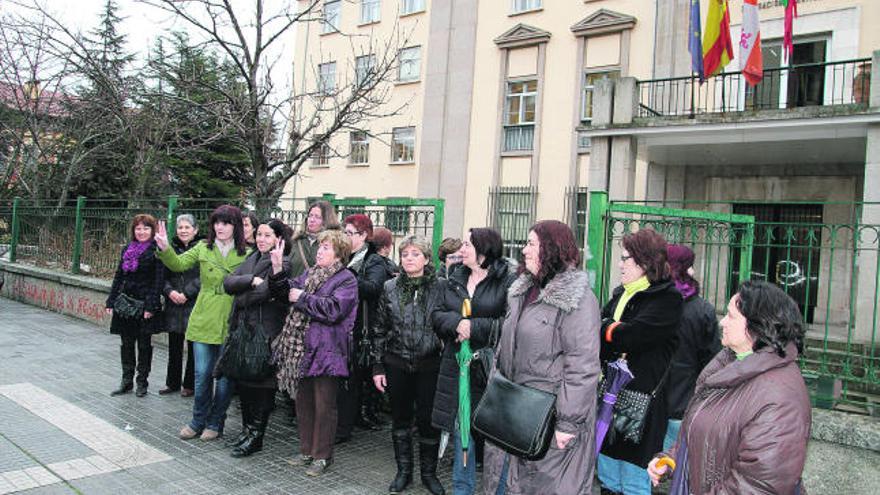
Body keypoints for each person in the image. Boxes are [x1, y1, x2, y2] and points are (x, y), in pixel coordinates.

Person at [648, 281, 811, 494]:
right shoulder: (729, 363)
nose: (722, 322)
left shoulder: (779, 397)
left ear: (758, 326)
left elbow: (758, 486)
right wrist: (672, 458)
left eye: (731, 316)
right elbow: (703, 431)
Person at [482, 220, 601, 495]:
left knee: (543, 486)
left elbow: (582, 367)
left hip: (550, 420)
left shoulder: (578, 300)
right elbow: (504, 347)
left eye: (531, 244)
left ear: (552, 248)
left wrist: (567, 423)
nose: (524, 250)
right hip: (512, 412)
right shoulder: (521, 291)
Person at [154, 205, 251, 441]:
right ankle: (198, 420)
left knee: (226, 378)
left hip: (231, 319)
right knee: (201, 375)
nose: (220, 227)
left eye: (226, 223)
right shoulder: (202, 248)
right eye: (217, 222)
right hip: (203, 318)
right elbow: (177, 264)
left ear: (235, 226)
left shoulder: (246, 254)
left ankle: (216, 422)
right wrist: (165, 247)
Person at [597, 229, 682, 495]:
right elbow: (604, 333)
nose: (620, 264)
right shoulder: (622, 293)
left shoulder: (667, 298)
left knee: (634, 483)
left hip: (642, 410)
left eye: (625, 258)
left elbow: (632, 337)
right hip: (610, 400)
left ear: (645, 263)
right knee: (608, 479)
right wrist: (611, 330)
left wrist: (608, 329)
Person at [432, 227, 516, 495]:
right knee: (462, 434)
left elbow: (511, 323)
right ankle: (462, 489)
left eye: (467, 245)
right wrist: (457, 323)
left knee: (495, 440)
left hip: (491, 372)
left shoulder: (508, 282)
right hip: (458, 368)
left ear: (484, 250)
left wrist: (474, 327)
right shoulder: (453, 278)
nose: (461, 250)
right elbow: (436, 315)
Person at [269, 229, 358, 477]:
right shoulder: (310, 273)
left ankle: (322, 456)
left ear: (339, 253)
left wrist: (303, 299)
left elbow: (334, 310)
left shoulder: (346, 279)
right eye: (319, 247)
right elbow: (284, 292)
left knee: (325, 406)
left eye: (326, 248)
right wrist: (277, 268)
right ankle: (306, 451)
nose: (319, 251)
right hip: (302, 349)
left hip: (328, 351)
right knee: (304, 403)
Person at [372, 235, 446, 495]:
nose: (409, 259)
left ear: (426, 259)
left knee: (428, 421)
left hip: (430, 365)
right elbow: (379, 329)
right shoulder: (389, 287)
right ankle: (403, 472)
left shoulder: (442, 287)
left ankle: (429, 474)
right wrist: (378, 368)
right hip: (397, 363)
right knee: (400, 420)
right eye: (405, 254)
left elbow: (449, 325)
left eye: (415, 254)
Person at [221, 219, 293, 457]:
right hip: (244, 331)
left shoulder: (283, 263)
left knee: (261, 385)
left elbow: (258, 296)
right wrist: (250, 281)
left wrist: (243, 294)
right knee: (244, 382)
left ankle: (256, 436)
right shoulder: (251, 259)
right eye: (259, 234)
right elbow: (228, 283)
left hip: (266, 334)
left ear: (278, 239)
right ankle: (246, 431)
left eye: (268, 235)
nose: (261, 239)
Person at [337, 214, 395, 441]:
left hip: (361, 329)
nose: (346, 237)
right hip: (342, 326)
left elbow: (374, 288)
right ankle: (345, 423)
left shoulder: (373, 261)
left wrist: (346, 276)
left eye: (350, 233)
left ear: (364, 236)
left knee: (350, 382)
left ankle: (343, 429)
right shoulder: (345, 256)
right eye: (345, 232)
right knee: (343, 381)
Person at [663, 244, 720, 450]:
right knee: (673, 464)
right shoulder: (702, 310)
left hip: (650, 399)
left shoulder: (652, 300)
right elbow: (713, 360)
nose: (693, 271)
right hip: (683, 400)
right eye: (690, 265)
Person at [105, 214, 164, 397]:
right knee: (126, 343)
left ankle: (142, 382)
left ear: (152, 230)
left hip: (144, 303)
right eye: (138, 228)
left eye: (146, 228)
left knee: (144, 345)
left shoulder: (157, 251)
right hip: (125, 303)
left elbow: (158, 281)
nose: (141, 232)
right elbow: (119, 276)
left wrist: (151, 306)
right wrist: (111, 300)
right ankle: (126, 380)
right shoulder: (127, 249)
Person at [159, 214, 200, 397]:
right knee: (174, 347)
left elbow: (204, 277)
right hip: (173, 304)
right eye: (180, 227)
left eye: (187, 227)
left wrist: (187, 293)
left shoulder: (202, 248)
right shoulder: (170, 248)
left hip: (194, 303)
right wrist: (170, 292)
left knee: (193, 349)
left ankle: (189, 384)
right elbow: (162, 276)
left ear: (195, 230)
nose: (183, 231)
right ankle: (172, 383)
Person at [290, 200, 340, 278]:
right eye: (310, 215)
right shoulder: (297, 240)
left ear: (326, 220)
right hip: (295, 287)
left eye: (317, 217)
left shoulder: (334, 242)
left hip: (321, 289)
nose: (312, 220)